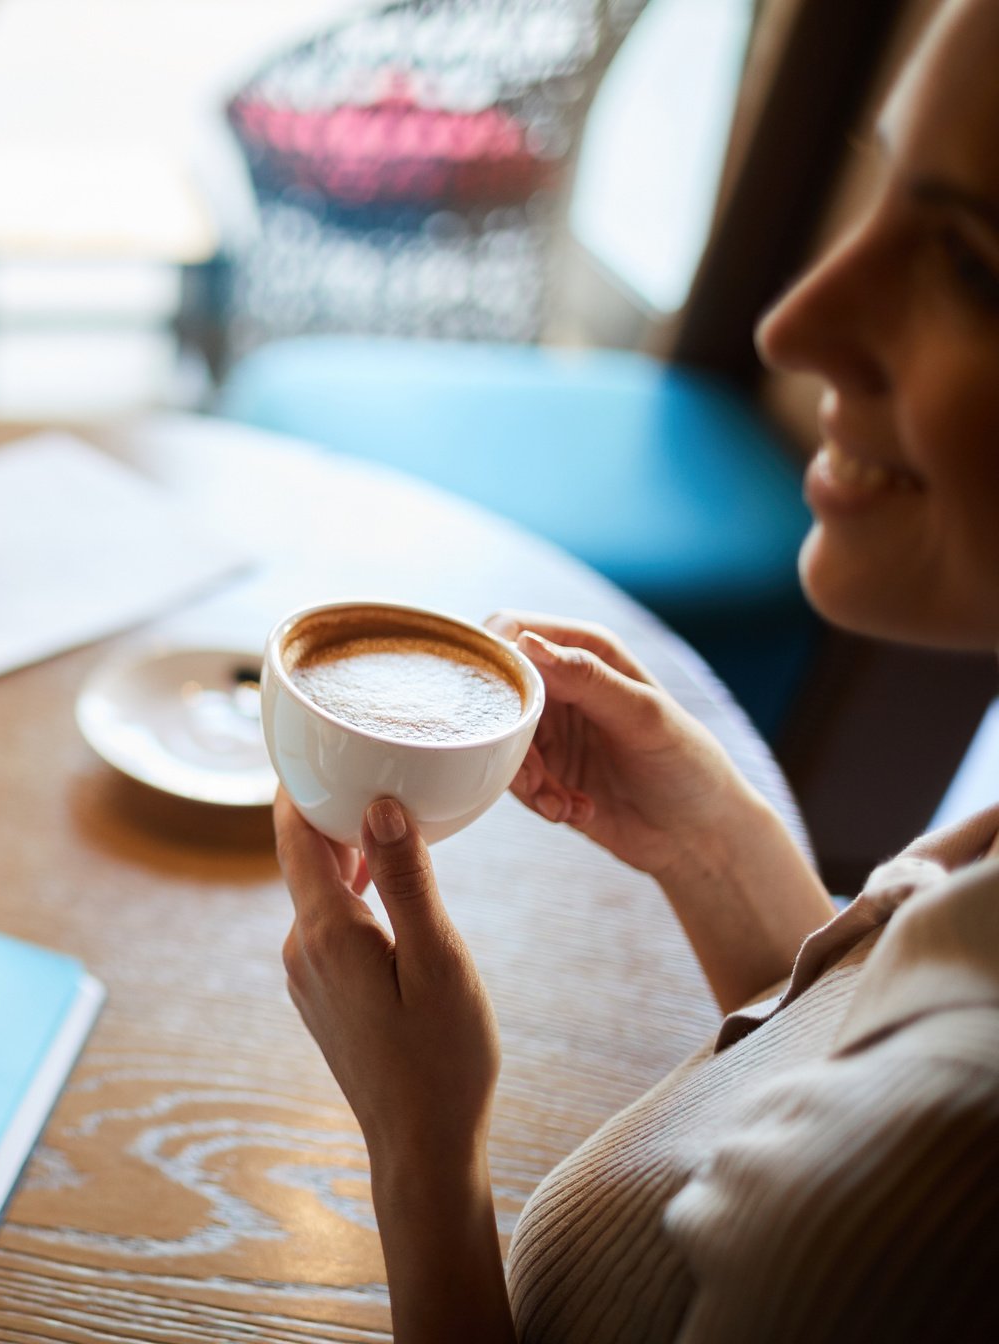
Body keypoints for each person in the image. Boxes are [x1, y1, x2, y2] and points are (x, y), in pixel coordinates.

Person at [275, 0, 999, 1339]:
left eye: (969, 264)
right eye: (885, 188)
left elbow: (863, 1158)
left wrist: (420, 1151)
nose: (801, 323)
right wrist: (716, 846)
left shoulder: (938, 1188)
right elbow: (837, 1067)